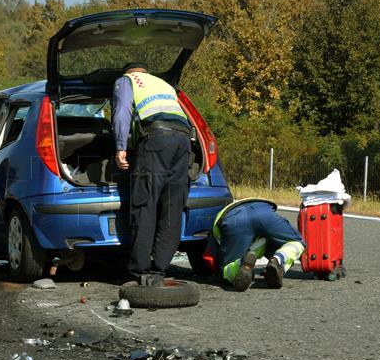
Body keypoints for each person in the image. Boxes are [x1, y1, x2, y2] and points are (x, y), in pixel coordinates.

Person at [112, 63, 192, 285]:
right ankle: (159, 268)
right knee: (172, 205)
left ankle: (139, 269)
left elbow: (121, 113)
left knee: (145, 203)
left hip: (156, 140)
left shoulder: (126, 81)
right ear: (146, 71)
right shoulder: (165, 85)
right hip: (183, 140)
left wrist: (121, 148)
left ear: (129, 71)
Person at [206, 198, 305, 291]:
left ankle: (240, 264)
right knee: (297, 242)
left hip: (234, 220)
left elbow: (210, 258)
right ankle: (278, 260)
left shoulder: (213, 231)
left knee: (225, 272)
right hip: (263, 212)